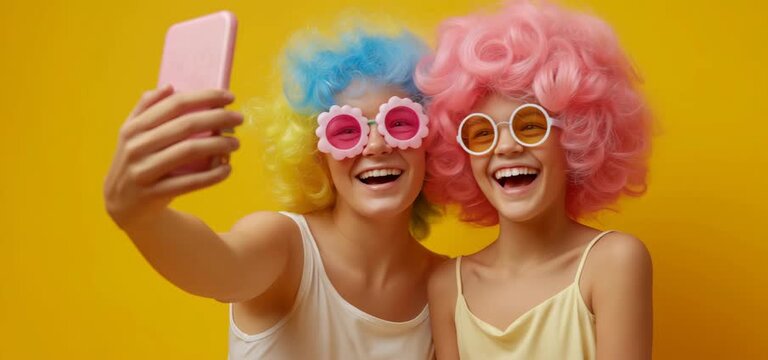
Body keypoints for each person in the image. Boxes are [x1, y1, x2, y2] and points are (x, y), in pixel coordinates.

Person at [104, 25, 442, 359]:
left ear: (431, 139)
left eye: (400, 123)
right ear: (315, 150)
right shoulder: (285, 246)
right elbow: (221, 267)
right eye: (346, 131)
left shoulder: (449, 286)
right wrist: (141, 217)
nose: (377, 145)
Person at [417, 1, 653, 359]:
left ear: (574, 137)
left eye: (530, 125)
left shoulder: (613, 263)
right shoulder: (448, 286)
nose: (506, 146)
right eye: (481, 134)